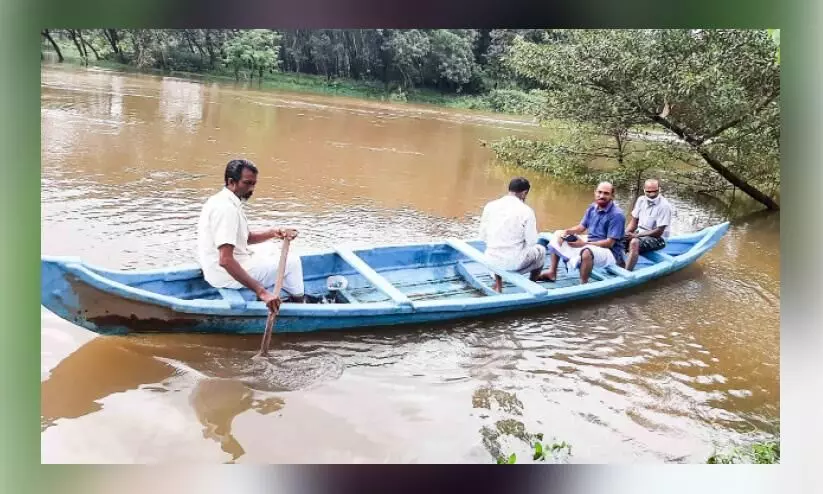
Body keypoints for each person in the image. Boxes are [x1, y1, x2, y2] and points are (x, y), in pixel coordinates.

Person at [197, 159, 305, 312]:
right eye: (247, 183)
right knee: (293, 262)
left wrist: (274, 232)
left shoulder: (221, 200)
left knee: (271, 248)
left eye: (254, 184)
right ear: (231, 182)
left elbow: (245, 238)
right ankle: (300, 303)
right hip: (223, 275)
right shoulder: (227, 209)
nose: (252, 189)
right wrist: (262, 292)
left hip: (215, 268)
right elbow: (225, 260)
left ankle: (283, 291)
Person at [538, 182, 626, 284]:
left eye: (606, 193)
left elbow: (609, 243)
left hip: (610, 252)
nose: (601, 196)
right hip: (592, 241)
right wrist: (566, 232)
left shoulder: (617, 215)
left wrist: (583, 244)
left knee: (587, 252)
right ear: (595, 192)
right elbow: (581, 227)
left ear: (612, 196)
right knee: (558, 234)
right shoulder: (592, 208)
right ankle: (552, 273)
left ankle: (583, 283)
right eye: (599, 192)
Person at [479, 177, 547, 292]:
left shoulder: (490, 205)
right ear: (524, 193)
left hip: (490, 259)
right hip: (512, 263)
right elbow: (532, 242)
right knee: (541, 251)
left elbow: (483, 236)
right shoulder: (526, 211)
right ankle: (532, 284)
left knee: (498, 247)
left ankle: (498, 285)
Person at [624, 178, 674, 271]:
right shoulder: (641, 200)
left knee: (634, 242)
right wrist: (625, 234)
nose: (652, 194)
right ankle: (617, 266)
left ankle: (626, 273)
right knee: (618, 238)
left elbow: (658, 232)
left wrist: (636, 235)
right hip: (640, 233)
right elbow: (634, 223)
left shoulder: (664, 206)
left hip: (658, 239)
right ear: (644, 190)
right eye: (649, 191)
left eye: (655, 191)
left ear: (659, 189)